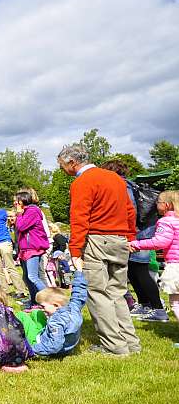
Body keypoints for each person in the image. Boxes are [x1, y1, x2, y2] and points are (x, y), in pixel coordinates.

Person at [58, 144, 139, 356]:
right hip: (120, 240)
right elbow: (130, 211)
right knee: (118, 293)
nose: (62, 171)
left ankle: (114, 347)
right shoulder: (115, 178)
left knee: (97, 293)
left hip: (97, 240)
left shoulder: (82, 182)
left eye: (62, 166)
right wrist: (129, 236)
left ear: (72, 162)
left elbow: (79, 218)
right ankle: (131, 343)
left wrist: (75, 251)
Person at [101, 160, 169, 322]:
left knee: (141, 271)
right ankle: (146, 305)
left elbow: (129, 212)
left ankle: (158, 309)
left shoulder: (124, 187)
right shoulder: (129, 186)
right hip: (139, 233)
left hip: (138, 235)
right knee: (133, 271)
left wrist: (129, 237)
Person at [130, 191, 179, 327]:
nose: (155, 205)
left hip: (175, 266)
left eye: (158, 202)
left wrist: (136, 244)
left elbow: (160, 242)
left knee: (176, 303)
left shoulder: (165, 222)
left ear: (167, 205)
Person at [30, 259, 87, 357]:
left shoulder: (56, 322)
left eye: (43, 306)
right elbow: (79, 293)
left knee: (22, 316)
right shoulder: (73, 308)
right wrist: (79, 272)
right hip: (69, 347)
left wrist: (30, 349)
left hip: (51, 348)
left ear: (56, 305)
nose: (42, 309)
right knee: (36, 313)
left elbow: (55, 346)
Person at [0, 284, 34, 373]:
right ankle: (17, 364)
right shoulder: (10, 312)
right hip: (21, 353)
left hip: (3, 353)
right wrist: (30, 352)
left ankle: (8, 364)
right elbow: (20, 333)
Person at [13, 188, 51, 308]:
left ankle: (50, 299)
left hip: (33, 248)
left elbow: (21, 227)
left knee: (33, 276)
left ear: (22, 201)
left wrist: (19, 214)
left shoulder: (32, 211)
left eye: (16, 201)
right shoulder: (26, 212)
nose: (14, 203)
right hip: (25, 249)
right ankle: (35, 302)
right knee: (26, 277)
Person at [0, 197, 28, 301]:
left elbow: (15, 214)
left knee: (10, 267)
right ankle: (5, 291)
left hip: (4, 242)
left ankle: (21, 291)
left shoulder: (1, 212)